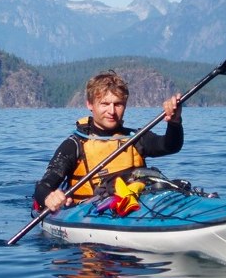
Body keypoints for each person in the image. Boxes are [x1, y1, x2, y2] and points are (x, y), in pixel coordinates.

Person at [33, 70, 183, 212]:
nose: (112, 111)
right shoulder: (74, 145)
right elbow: (43, 186)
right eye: (104, 104)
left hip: (135, 206)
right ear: (90, 105)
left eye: (118, 104)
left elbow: (170, 146)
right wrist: (48, 197)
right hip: (90, 212)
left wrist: (174, 122)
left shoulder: (136, 138)